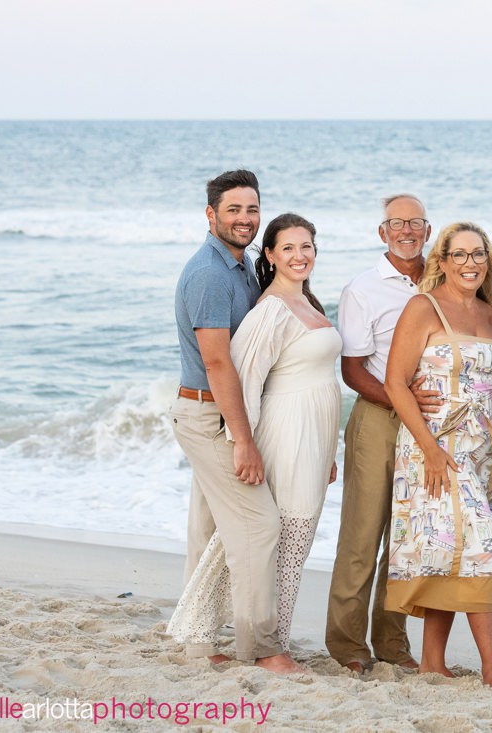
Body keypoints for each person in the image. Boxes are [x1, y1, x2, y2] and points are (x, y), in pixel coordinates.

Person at [168, 213, 341, 674]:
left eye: (307, 246)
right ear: (270, 255)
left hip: (312, 441)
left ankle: (220, 637)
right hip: (283, 435)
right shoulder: (268, 309)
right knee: (278, 536)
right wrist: (243, 443)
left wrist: (330, 450)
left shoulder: (303, 301)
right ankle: (267, 648)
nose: (299, 255)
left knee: (272, 538)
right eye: (288, 248)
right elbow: (240, 377)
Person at [383, 221, 492, 686]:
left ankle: (431, 664)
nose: (470, 263)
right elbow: (395, 383)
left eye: (478, 254)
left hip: (480, 448)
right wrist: (431, 449)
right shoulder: (423, 307)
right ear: (441, 261)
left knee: (451, 551)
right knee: (481, 548)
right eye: (459, 255)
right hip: (433, 445)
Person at [168, 170, 291, 672]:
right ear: (211, 214)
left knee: (210, 527)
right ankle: (262, 648)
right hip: (209, 414)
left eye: (252, 210)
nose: (245, 219)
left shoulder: (241, 266)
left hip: (216, 410)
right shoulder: (210, 275)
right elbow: (218, 362)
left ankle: (197, 641)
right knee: (260, 526)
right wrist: (243, 439)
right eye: (234, 210)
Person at [325, 194, 436, 674]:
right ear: (382, 232)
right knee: (363, 534)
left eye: (415, 223)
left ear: (428, 230)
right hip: (379, 416)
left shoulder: (444, 281)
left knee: (407, 540)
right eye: (397, 223)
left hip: (433, 424)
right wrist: (403, 402)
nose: (407, 231)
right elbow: (352, 370)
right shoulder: (364, 288)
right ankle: (348, 645)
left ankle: (392, 643)